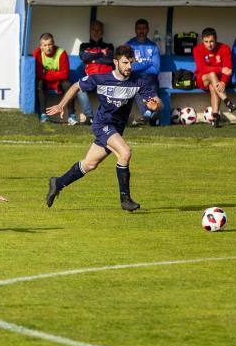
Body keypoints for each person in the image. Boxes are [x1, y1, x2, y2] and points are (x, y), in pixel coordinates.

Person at [45, 45, 162, 212]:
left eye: (131, 63)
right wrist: (61, 105)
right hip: (102, 125)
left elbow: (154, 102)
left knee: (90, 164)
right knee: (125, 153)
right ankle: (125, 199)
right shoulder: (100, 79)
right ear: (116, 62)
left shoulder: (138, 81)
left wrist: (154, 106)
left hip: (117, 129)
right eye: (125, 63)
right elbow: (76, 85)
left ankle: (58, 182)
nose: (129, 67)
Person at [33, 33, 81, 125]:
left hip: (59, 82)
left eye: (50, 44)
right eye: (45, 45)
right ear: (41, 46)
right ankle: (43, 115)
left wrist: (46, 73)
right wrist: (54, 74)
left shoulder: (61, 53)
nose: (48, 47)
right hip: (45, 82)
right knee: (39, 83)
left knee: (68, 85)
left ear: (53, 43)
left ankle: (72, 116)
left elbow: (64, 75)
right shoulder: (37, 53)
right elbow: (38, 74)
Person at [194, 27, 235, 127]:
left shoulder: (224, 48)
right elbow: (202, 68)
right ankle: (227, 101)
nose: (209, 44)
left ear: (216, 39)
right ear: (202, 41)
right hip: (203, 79)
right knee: (212, 74)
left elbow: (228, 68)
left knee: (214, 87)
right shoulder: (197, 49)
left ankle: (215, 117)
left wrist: (224, 82)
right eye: (206, 41)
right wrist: (220, 69)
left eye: (212, 41)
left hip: (219, 81)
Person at [127, 18, 161, 126]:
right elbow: (129, 67)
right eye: (139, 28)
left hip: (150, 78)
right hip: (134, 78)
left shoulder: (153, 46)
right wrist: (148, 63)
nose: (141, 31)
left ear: (148, 30)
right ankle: (151, 115)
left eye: (144, 28)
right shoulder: (129, 45)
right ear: (135, 30)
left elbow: (156, 69)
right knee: (137, 84)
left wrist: (138, 65)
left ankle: (147, 114)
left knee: (149, 81)